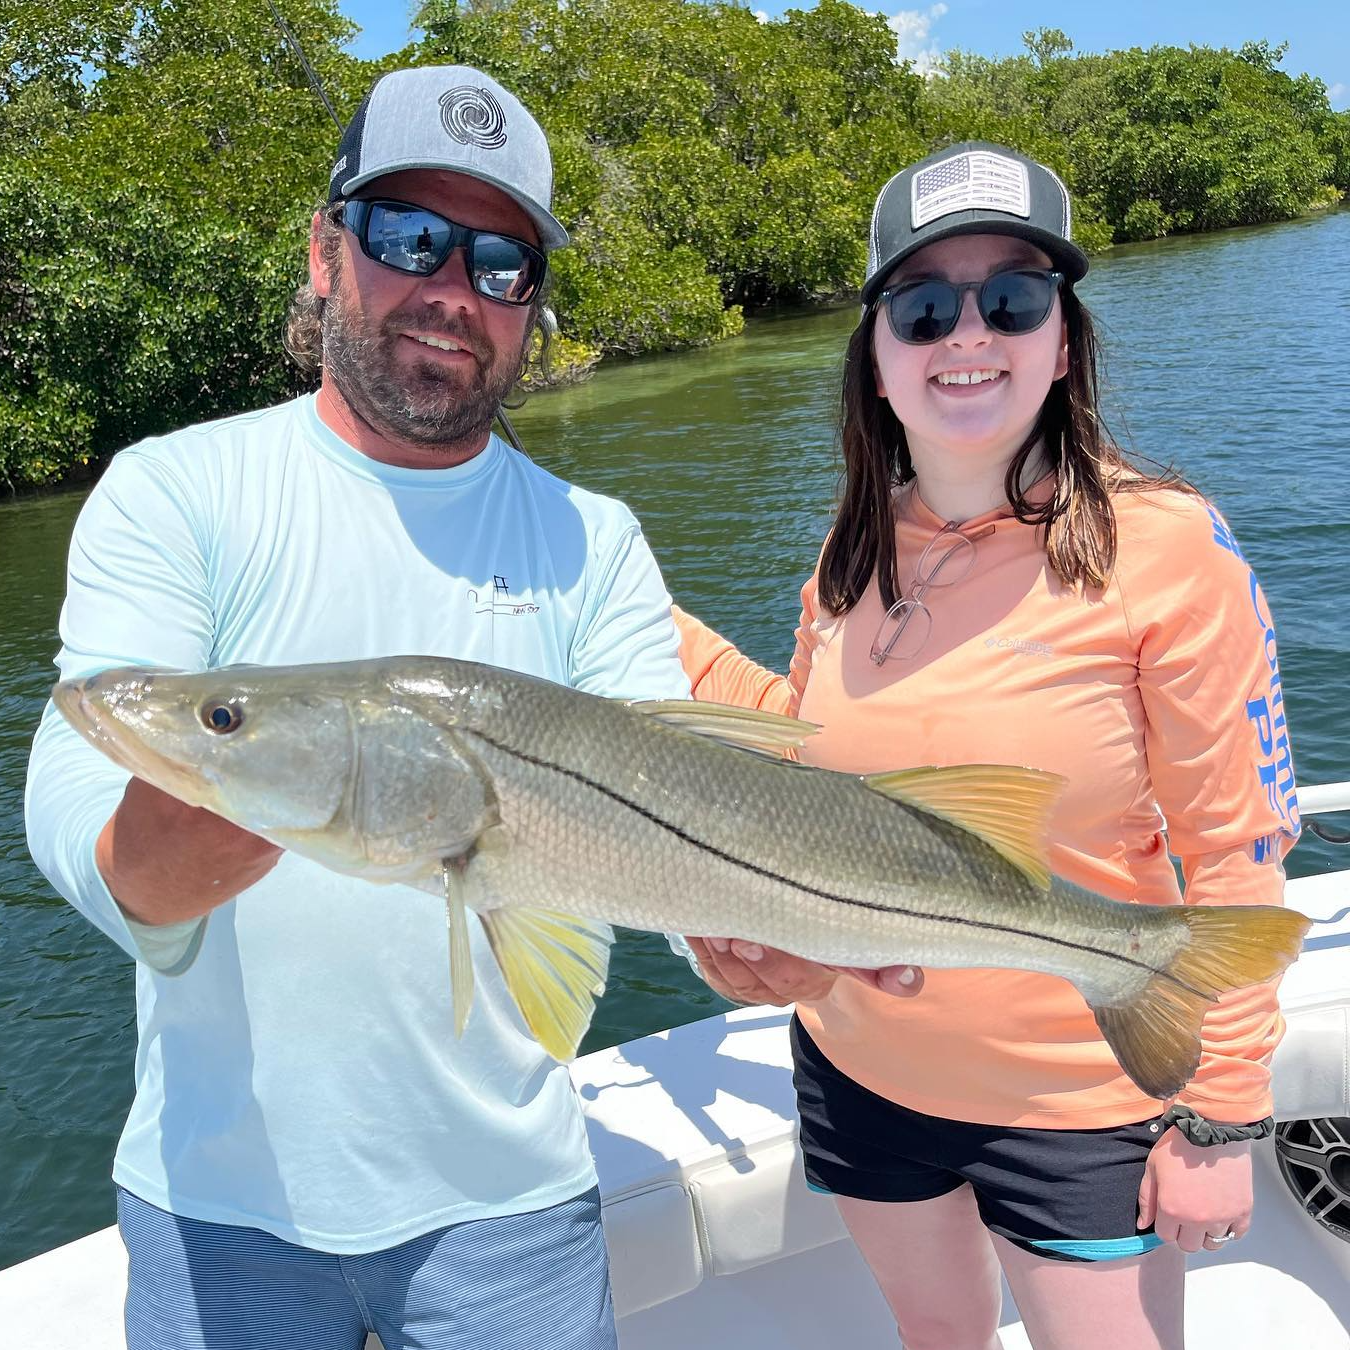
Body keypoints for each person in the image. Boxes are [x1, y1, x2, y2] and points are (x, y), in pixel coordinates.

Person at [25, 65, 689, 1350]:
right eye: (409, 237)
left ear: (531, 308)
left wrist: (750, 939)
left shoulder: (592, 540)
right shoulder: (177, 489)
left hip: (513, 1209)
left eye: (502, 263)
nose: (453, 289)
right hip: (214, 1205)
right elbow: (74, 775)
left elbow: (667, 813)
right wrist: (153, 867)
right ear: (328, 252)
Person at [675, 142, 1300, 1350]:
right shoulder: (851, 556)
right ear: (879, 358)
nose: (967, 334)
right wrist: (638, 608)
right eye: (922, 306)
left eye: (1011, 299)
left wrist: (1222, 1116)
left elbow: (1238, 847)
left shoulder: (1169, 549)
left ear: (1063, 341)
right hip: (859, 1069)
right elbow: (806, 762)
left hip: (1080, 1099)